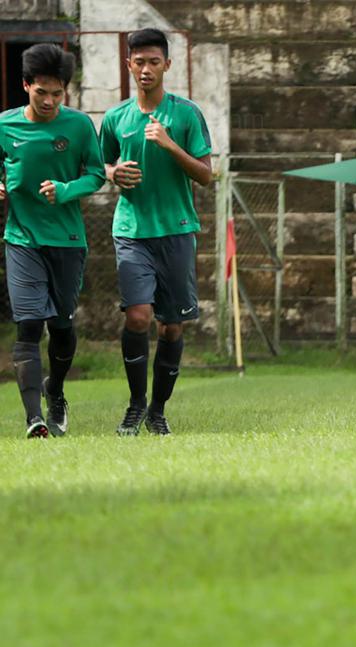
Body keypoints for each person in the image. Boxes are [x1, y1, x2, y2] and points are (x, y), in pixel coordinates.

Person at [100, 28, 213, 435]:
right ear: (129, 65)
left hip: (178, 230)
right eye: (139, 62)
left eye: (153, 62)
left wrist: (169, 145)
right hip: (132, 231)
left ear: (167, 65)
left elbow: (206, 175)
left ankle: (158, 412)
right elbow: (101, 167)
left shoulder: (186, 115)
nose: (146, 69)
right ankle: (135, 404)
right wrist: (114, 173)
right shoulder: (115, 118)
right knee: (137, 315)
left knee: (171, 326)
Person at [1, 44, 105, 437]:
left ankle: (56, 391)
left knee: (61, 326)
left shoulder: (78, 126)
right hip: (22, 238)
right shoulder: (4, 125)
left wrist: (64, 190)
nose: (49, 101)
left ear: (66, 91)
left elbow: (96, 174)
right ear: (25, 85)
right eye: (40, 92)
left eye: (57, 93)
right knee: (28, 323)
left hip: (67, 240)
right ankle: (34, 419)